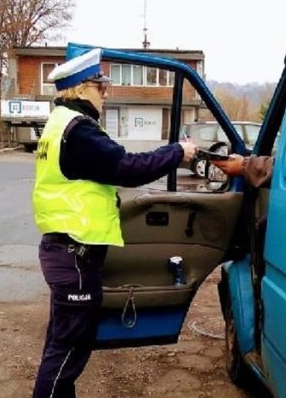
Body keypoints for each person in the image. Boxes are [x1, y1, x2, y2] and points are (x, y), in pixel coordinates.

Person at [31, 48, 197, 398]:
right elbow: (128, 168)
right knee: (67, 352)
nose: (106, 93)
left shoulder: (60, 123)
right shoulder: (78, 131)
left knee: (63, 347)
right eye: (100, 86)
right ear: (80, 89)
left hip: (67, 250)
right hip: (74, 253)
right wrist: (178, 153)